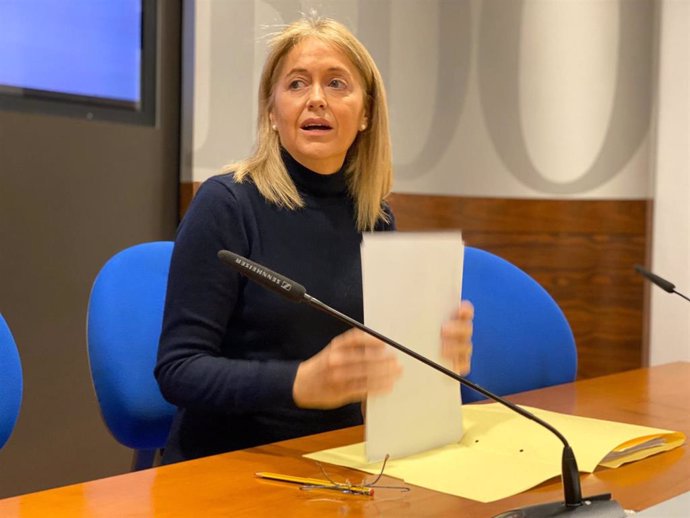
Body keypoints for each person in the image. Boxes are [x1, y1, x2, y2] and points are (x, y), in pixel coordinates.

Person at [155, 14, 474, 464]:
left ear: (365, 113)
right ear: (271, 110)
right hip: (231, 463)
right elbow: (178, 370)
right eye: (297, 84)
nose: (317, 99)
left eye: (337, 84)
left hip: (340, 461)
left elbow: (377, 372)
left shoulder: (376, 218)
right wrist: (298, 383)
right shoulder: (227, 204)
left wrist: (434, 365)